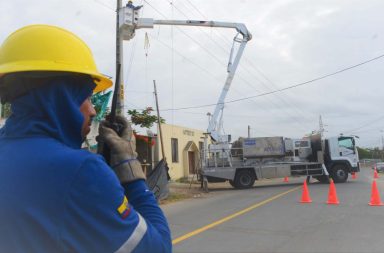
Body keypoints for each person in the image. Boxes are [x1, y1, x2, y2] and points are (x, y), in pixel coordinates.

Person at [0, 25, 172, 253]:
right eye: (88, 97)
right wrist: (131, 171)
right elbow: (158, 248)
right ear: (63, 96)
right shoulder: (80, 170)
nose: (93, 111)